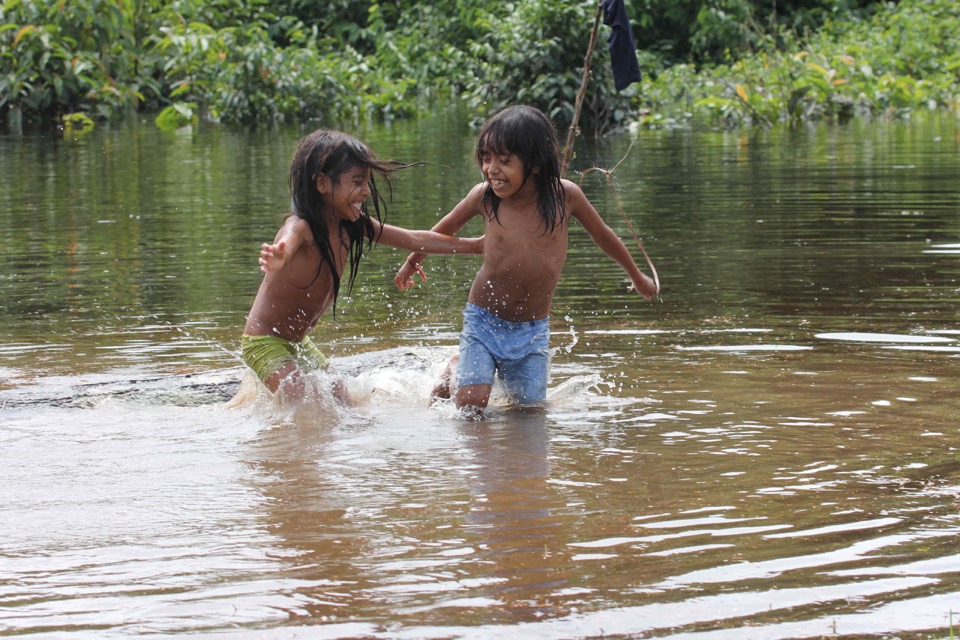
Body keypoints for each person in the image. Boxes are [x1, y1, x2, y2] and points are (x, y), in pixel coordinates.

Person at [395, 105, 656, 413]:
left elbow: (603, 235)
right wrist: (413, 261)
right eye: (486, 158)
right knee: (469, 407)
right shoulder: (484, 197)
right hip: (484, 321)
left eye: (504, 161)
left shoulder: (565, 197)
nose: (491, 168)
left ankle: (460, 367)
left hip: (532, 330)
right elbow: (445, 228)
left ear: (533, 163)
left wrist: (636, 276)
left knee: (529, 413)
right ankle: (458, 369)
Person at [242, 129, 483, 402]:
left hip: (299, 343)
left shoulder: (353, 225)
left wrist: (476, 245)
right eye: (357, 182)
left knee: (343, 403)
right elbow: (290, 238)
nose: (367, 191)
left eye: (367, 182)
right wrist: (281, 254)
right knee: (306, 406)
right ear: (322, 183)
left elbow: (414, 239)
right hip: (265, 342)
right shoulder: (302, 228)